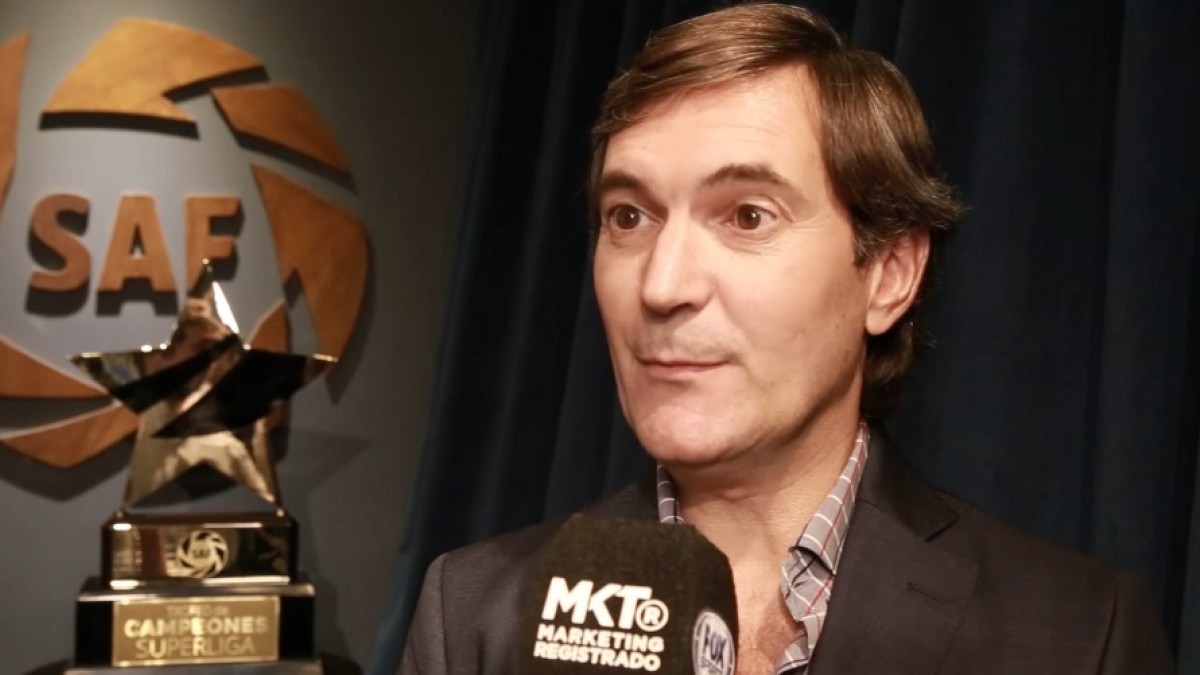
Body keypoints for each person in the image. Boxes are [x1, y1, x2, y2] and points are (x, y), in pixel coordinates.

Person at [400, 4, 1174, 673]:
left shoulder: (1079, 634)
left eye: (747, 216)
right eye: (628, 216)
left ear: (889, 274)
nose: (662, 285)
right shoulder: (469, 612)